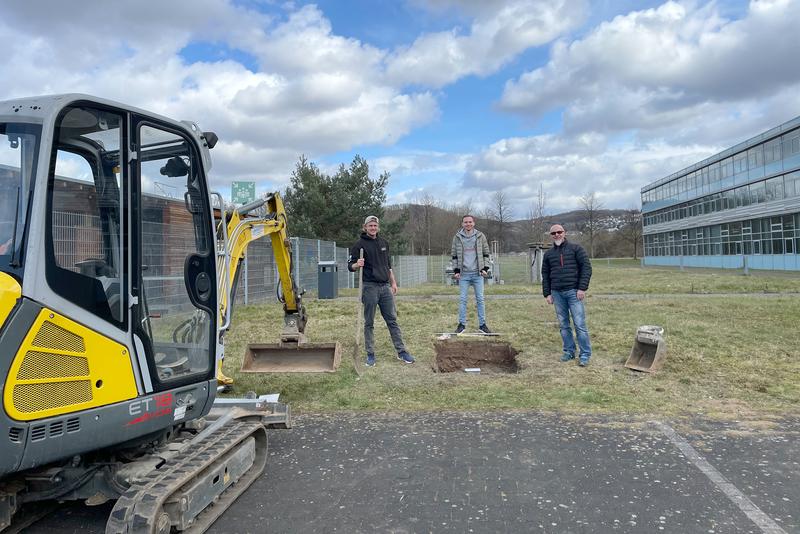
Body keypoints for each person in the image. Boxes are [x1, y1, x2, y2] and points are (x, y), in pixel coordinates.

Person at [348, 215, 415, 366]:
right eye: (370, 226)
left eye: (375, 225)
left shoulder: (384, 243)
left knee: (392, 320)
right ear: (365, 227)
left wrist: (393, 282)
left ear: (378, 227)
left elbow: (388, 265)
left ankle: (402, 351)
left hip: (385, 287)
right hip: (369, 287)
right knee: (369, 322)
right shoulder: (359, 245)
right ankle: (370, 354)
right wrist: (357, 264)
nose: (373, 228)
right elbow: (350, 266)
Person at [541, 224, 593, 366]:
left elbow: (586, 268)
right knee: (564, 325)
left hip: (574, 293)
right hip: (557, 294)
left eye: (559, 232)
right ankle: (569, 351)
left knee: (579, 324)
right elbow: (545, 275)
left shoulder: (576, 249)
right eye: (554, 233)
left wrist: (582, 288)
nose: (557, 235)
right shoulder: (548, 254)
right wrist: (547, 293)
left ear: (565, 233)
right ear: (550, 235)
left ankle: (585, 354)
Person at [450, 214, 491, 334]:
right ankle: (462, 325)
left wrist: (485, 268)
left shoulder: (480, 236)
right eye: (465, 222)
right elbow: (454, 255)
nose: (468, 224)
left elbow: (486, 253)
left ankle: (482, 325)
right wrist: (456, 271)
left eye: (470, 222)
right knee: (463, 300)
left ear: (474, 223)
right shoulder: (457, 237)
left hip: (477, 274)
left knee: (480, 299)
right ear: (462, 224)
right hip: (464, 275)